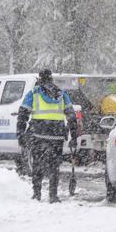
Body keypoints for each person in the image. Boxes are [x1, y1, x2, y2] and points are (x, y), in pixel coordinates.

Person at [17, 69, 77, 203]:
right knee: (54, 166)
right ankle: (53, 195)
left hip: (38, 134)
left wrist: (20, 133)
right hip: (57, 136)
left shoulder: (33, 93)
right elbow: (72, 117)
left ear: (39, 78)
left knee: (37, 164)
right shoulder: (61, 94)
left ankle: (37, 193)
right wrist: (74, 136)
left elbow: (22, 114)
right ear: (51, 78)